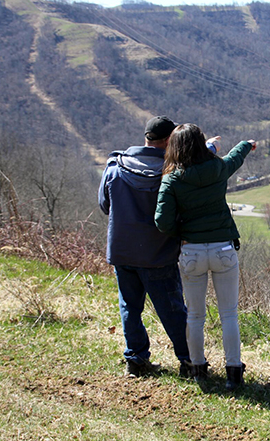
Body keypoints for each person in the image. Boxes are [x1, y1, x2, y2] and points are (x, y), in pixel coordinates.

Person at [98, 116, 219, 378]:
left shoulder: (115, 167)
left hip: (122, 251)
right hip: (158, 253)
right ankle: (190, 362)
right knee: (173, 310)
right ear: (168, 141)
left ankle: (136, 360)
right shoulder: (170, 173)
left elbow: (105, 205)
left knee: (130, 306)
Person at [154, 123, 256, 390]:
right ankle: (234, 372)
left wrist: (184, 232)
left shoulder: (172, 178)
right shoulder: (217, 169)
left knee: (195, 316)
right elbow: (234, 158)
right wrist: (246, 144)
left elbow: (162, 222)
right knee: (229, 315)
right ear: (202, 145)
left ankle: (198, 370)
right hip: (223, 250)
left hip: (192, 252)